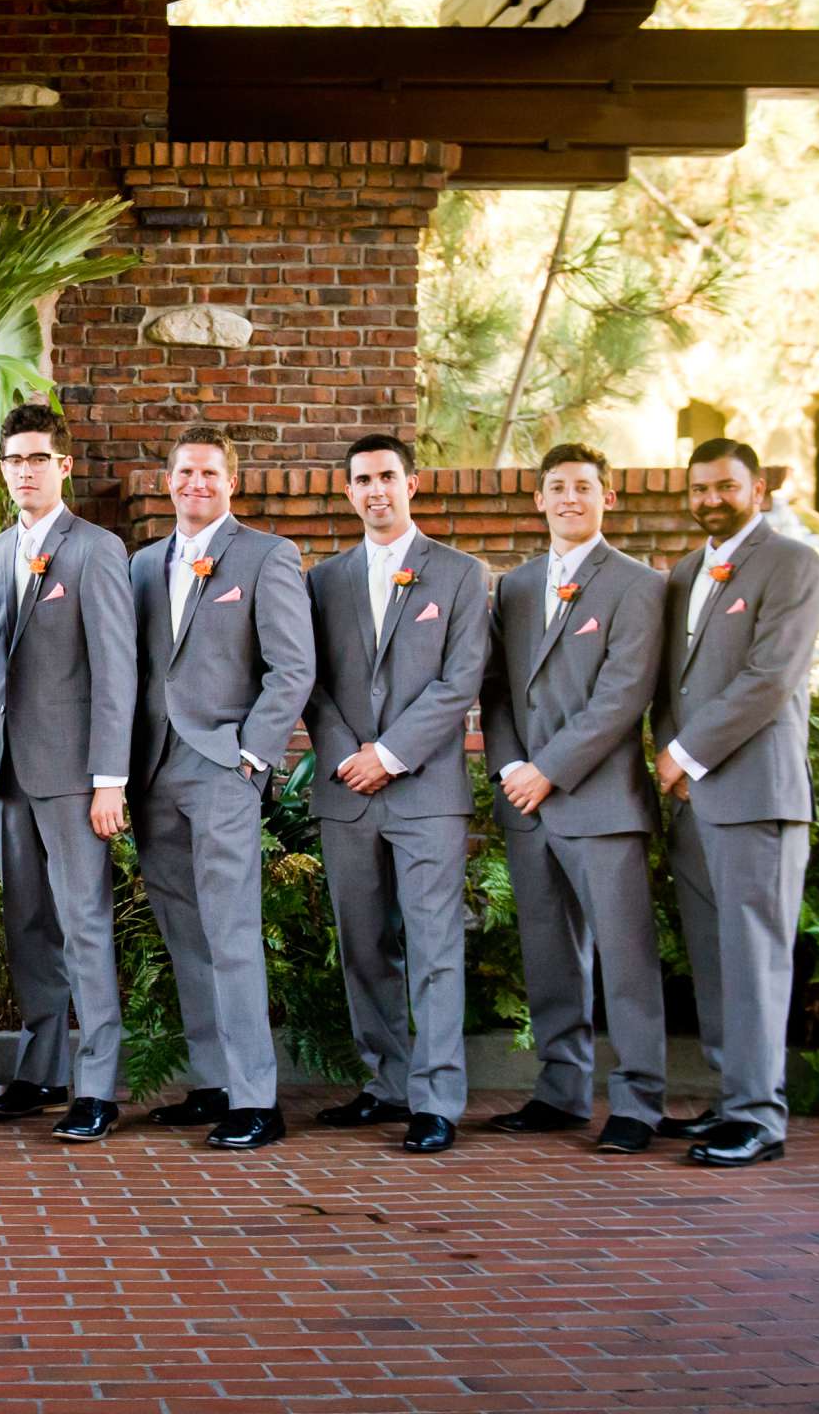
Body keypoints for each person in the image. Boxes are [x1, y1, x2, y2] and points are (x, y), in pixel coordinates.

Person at [127, 423, 316, 1151]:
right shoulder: (143, 565)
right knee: (183, 933)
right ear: (168, 481)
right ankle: (211, 1083)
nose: (196, 485)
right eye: (184, 473)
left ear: (230, 482)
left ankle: (257, 1098)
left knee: (232, 932)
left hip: (221, 767)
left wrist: (251, 756)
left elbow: (292, 668)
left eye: (210, 473)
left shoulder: (267, 556)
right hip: (152, 771)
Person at [479, 444, 669, 1154]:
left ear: (607, 498)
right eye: (556, 487)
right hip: (526, 804)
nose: (569, 498)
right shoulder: (519, 587)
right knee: (550, 957)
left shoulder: (637, 586)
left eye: (583, 487)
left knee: (625, 958)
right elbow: (496, 690)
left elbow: (623, 696)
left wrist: (549, 770)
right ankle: (560, 1091)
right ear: (539, 499)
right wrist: (510, 770)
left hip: (600, 802)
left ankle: (640, 1103)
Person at [304, 433, 490, 1155]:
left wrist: (390, 753)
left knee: (436, 944)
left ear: (413, 485)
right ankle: (386, 1084)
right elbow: (306, 679)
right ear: (348, 492)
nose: (375, 490)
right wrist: (349, 754)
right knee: (363, 945)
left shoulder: (461, 575)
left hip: (427, 793)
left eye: (388, 476)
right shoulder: (324, 581)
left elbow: (460, 680)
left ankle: (437, 1100)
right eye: (362, 479)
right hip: (346, 788)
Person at [653, 438, 819, 1169]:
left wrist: (684, 753)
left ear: (758, 488)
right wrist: (674, 763)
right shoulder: (687, 570)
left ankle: (760, 1116)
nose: (710, 500)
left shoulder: (794, 564)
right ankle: (732, 1097)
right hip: (695, 799)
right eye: (698, 489)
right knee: (716, 957)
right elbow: (672, 686)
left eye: (725, 487)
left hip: (757, 795)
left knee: (755, 957)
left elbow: (769, 677)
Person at [0, 405, 137, 1142]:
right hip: (5, 777)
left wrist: (110, 778)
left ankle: (97, 1085)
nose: (25, 471)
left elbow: (115, 670)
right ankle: (40, 1072)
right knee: (28, 926)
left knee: (84, 925)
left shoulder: (96, 549)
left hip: (74, 775)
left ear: (64, 466)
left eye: (39, 458)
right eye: (14, 460)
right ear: (1, 469)